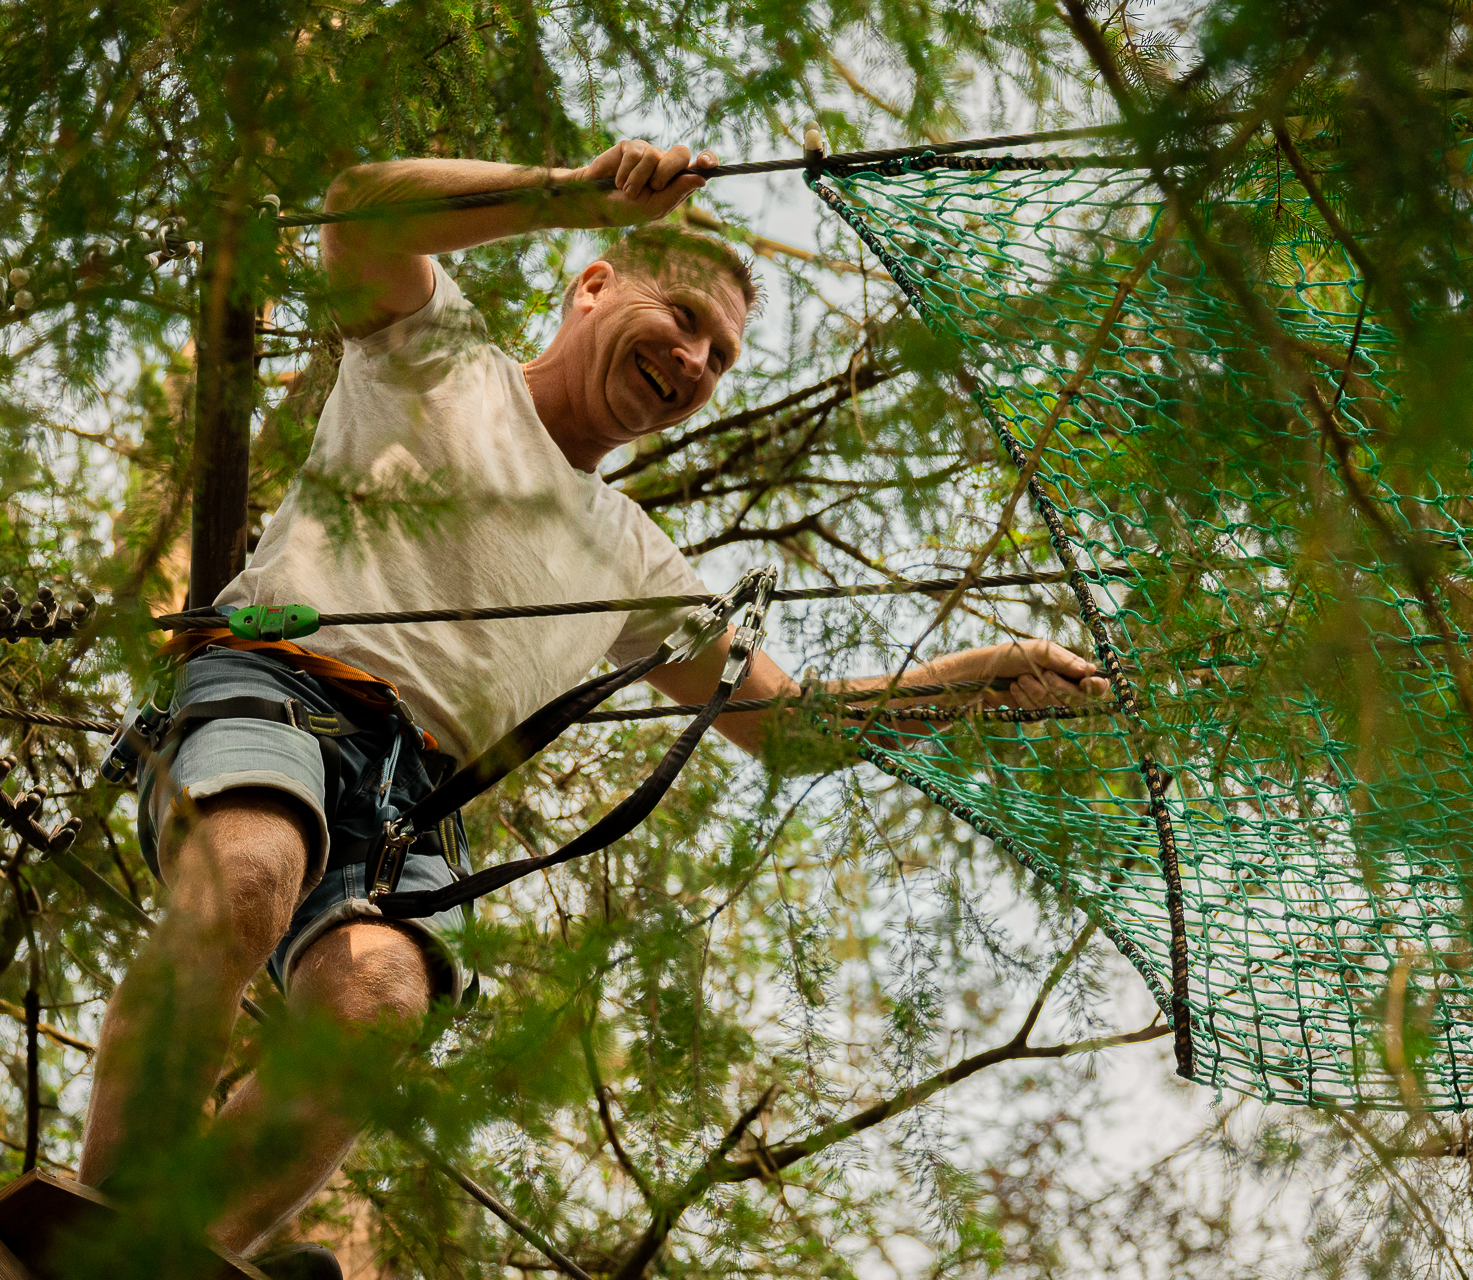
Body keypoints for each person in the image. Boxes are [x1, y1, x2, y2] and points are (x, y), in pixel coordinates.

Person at [76, 139, 1106, 1274]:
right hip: (280, 688)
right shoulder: (437, 350)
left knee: (375, 1007)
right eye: (685, 317)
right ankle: (111, 1211)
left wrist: (971, 681)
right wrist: (573, 192)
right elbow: (357, 205)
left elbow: (789, 726)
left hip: (417, 797)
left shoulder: (636, 558)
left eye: (721, 355)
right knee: (251, 873)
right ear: (595, 284)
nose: (697, 360)